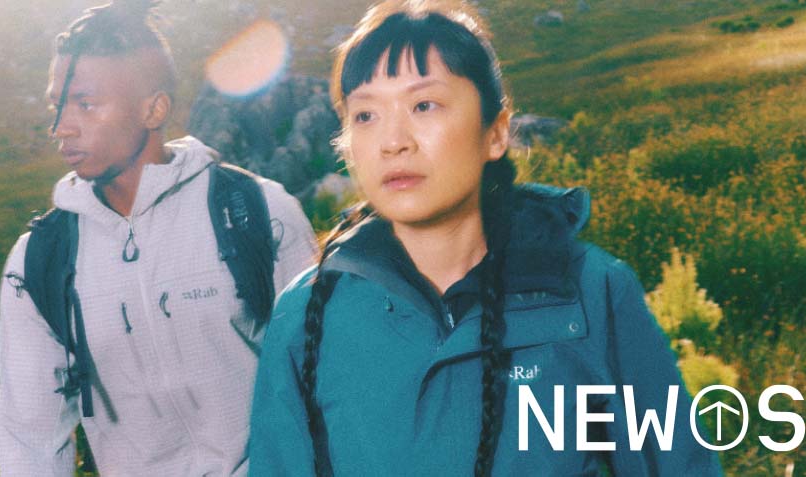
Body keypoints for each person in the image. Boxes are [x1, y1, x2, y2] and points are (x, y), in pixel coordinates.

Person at [248, 1, 723, 475]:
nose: (393, 140)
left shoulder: (594, 293)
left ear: (496, 133)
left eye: (423, 105)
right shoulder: (305, 316)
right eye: (366, 116)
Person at [0, 1, 316, 475]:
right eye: (56, 105)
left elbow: (327, 384)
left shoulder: (259, 212)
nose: (60, 126)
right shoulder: (38, 261)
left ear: (154, 109)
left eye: (85, 103)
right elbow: (31, 439)